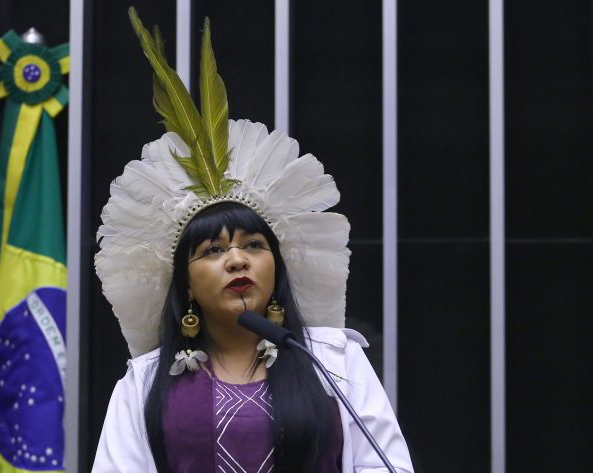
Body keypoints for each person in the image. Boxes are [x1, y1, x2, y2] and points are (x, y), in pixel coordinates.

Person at [92, 8, 414, 473]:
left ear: (277, 265)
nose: (237, 260)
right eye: (213, 251)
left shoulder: (331, 361)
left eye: (254, 246)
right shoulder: (144, 382)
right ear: (184, 282)